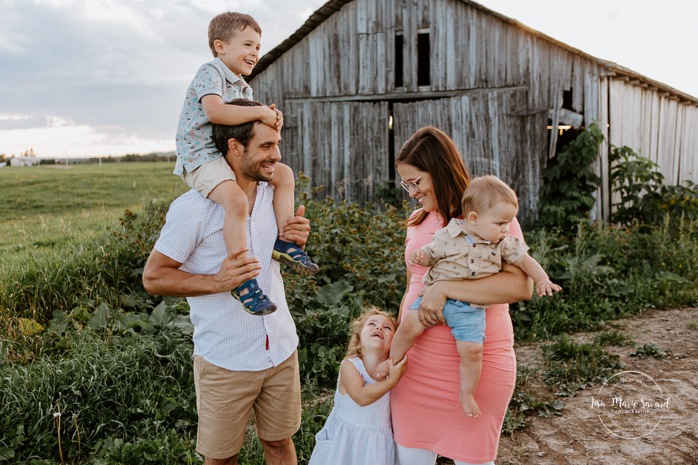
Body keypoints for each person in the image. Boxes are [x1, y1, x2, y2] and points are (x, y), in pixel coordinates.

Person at [142, 99, 310, 465]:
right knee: (222, 459)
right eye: (266, 147)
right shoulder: (194, 208)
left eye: (277, 145)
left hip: (280, 349)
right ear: (234, 147)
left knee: (280, 444)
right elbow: (154, 277)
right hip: (225, 359)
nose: (276, 156)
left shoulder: (274, 195)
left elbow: (276, 259)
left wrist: (295, 238)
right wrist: (218, 281)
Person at [390, 126, 534, 465]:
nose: (411, 192)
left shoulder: (490, 215)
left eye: (416, 182)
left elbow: (521, 286)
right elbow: (414, 281)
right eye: (406, 184)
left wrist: (444, 289)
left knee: (473, 460)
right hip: (418, 363)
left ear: (438, 171)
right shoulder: (417, 220)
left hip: (476, 359)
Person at [173, 12, 318, 316]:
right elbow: (215, 113)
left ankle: (284, 241)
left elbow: (252, 126)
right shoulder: (209, 72)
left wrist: (271, 118)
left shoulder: (243, 88)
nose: (255, 53)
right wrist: (262, 112)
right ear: (220, 46)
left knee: (284, 174)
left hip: (226, 155)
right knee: (236, 201)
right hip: (201, 156)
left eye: (258, 46)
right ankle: (242, 277)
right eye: (248, 45)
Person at [389, 175, 561, 419]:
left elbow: (525, 261)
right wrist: (422, 258)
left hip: (470, 308)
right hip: (430, 300)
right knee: (408, 326)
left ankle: (467, 392)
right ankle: (392, 361)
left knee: (471, 350)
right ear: (473, 218)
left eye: (507, 223)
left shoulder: (502, 243)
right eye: (501, 224)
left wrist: (543, 279)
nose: (505, 229)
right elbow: (431, 253)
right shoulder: (448, 235)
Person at [308, 307, 408, 465]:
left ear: (395, 342)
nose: (379, 327)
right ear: (358, 339)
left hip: (377, 445)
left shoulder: (394, 371)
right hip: (346, 442)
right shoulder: (350, 366)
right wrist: (391, 382)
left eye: (387, 327)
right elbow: (360, 397)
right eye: (372, 324)